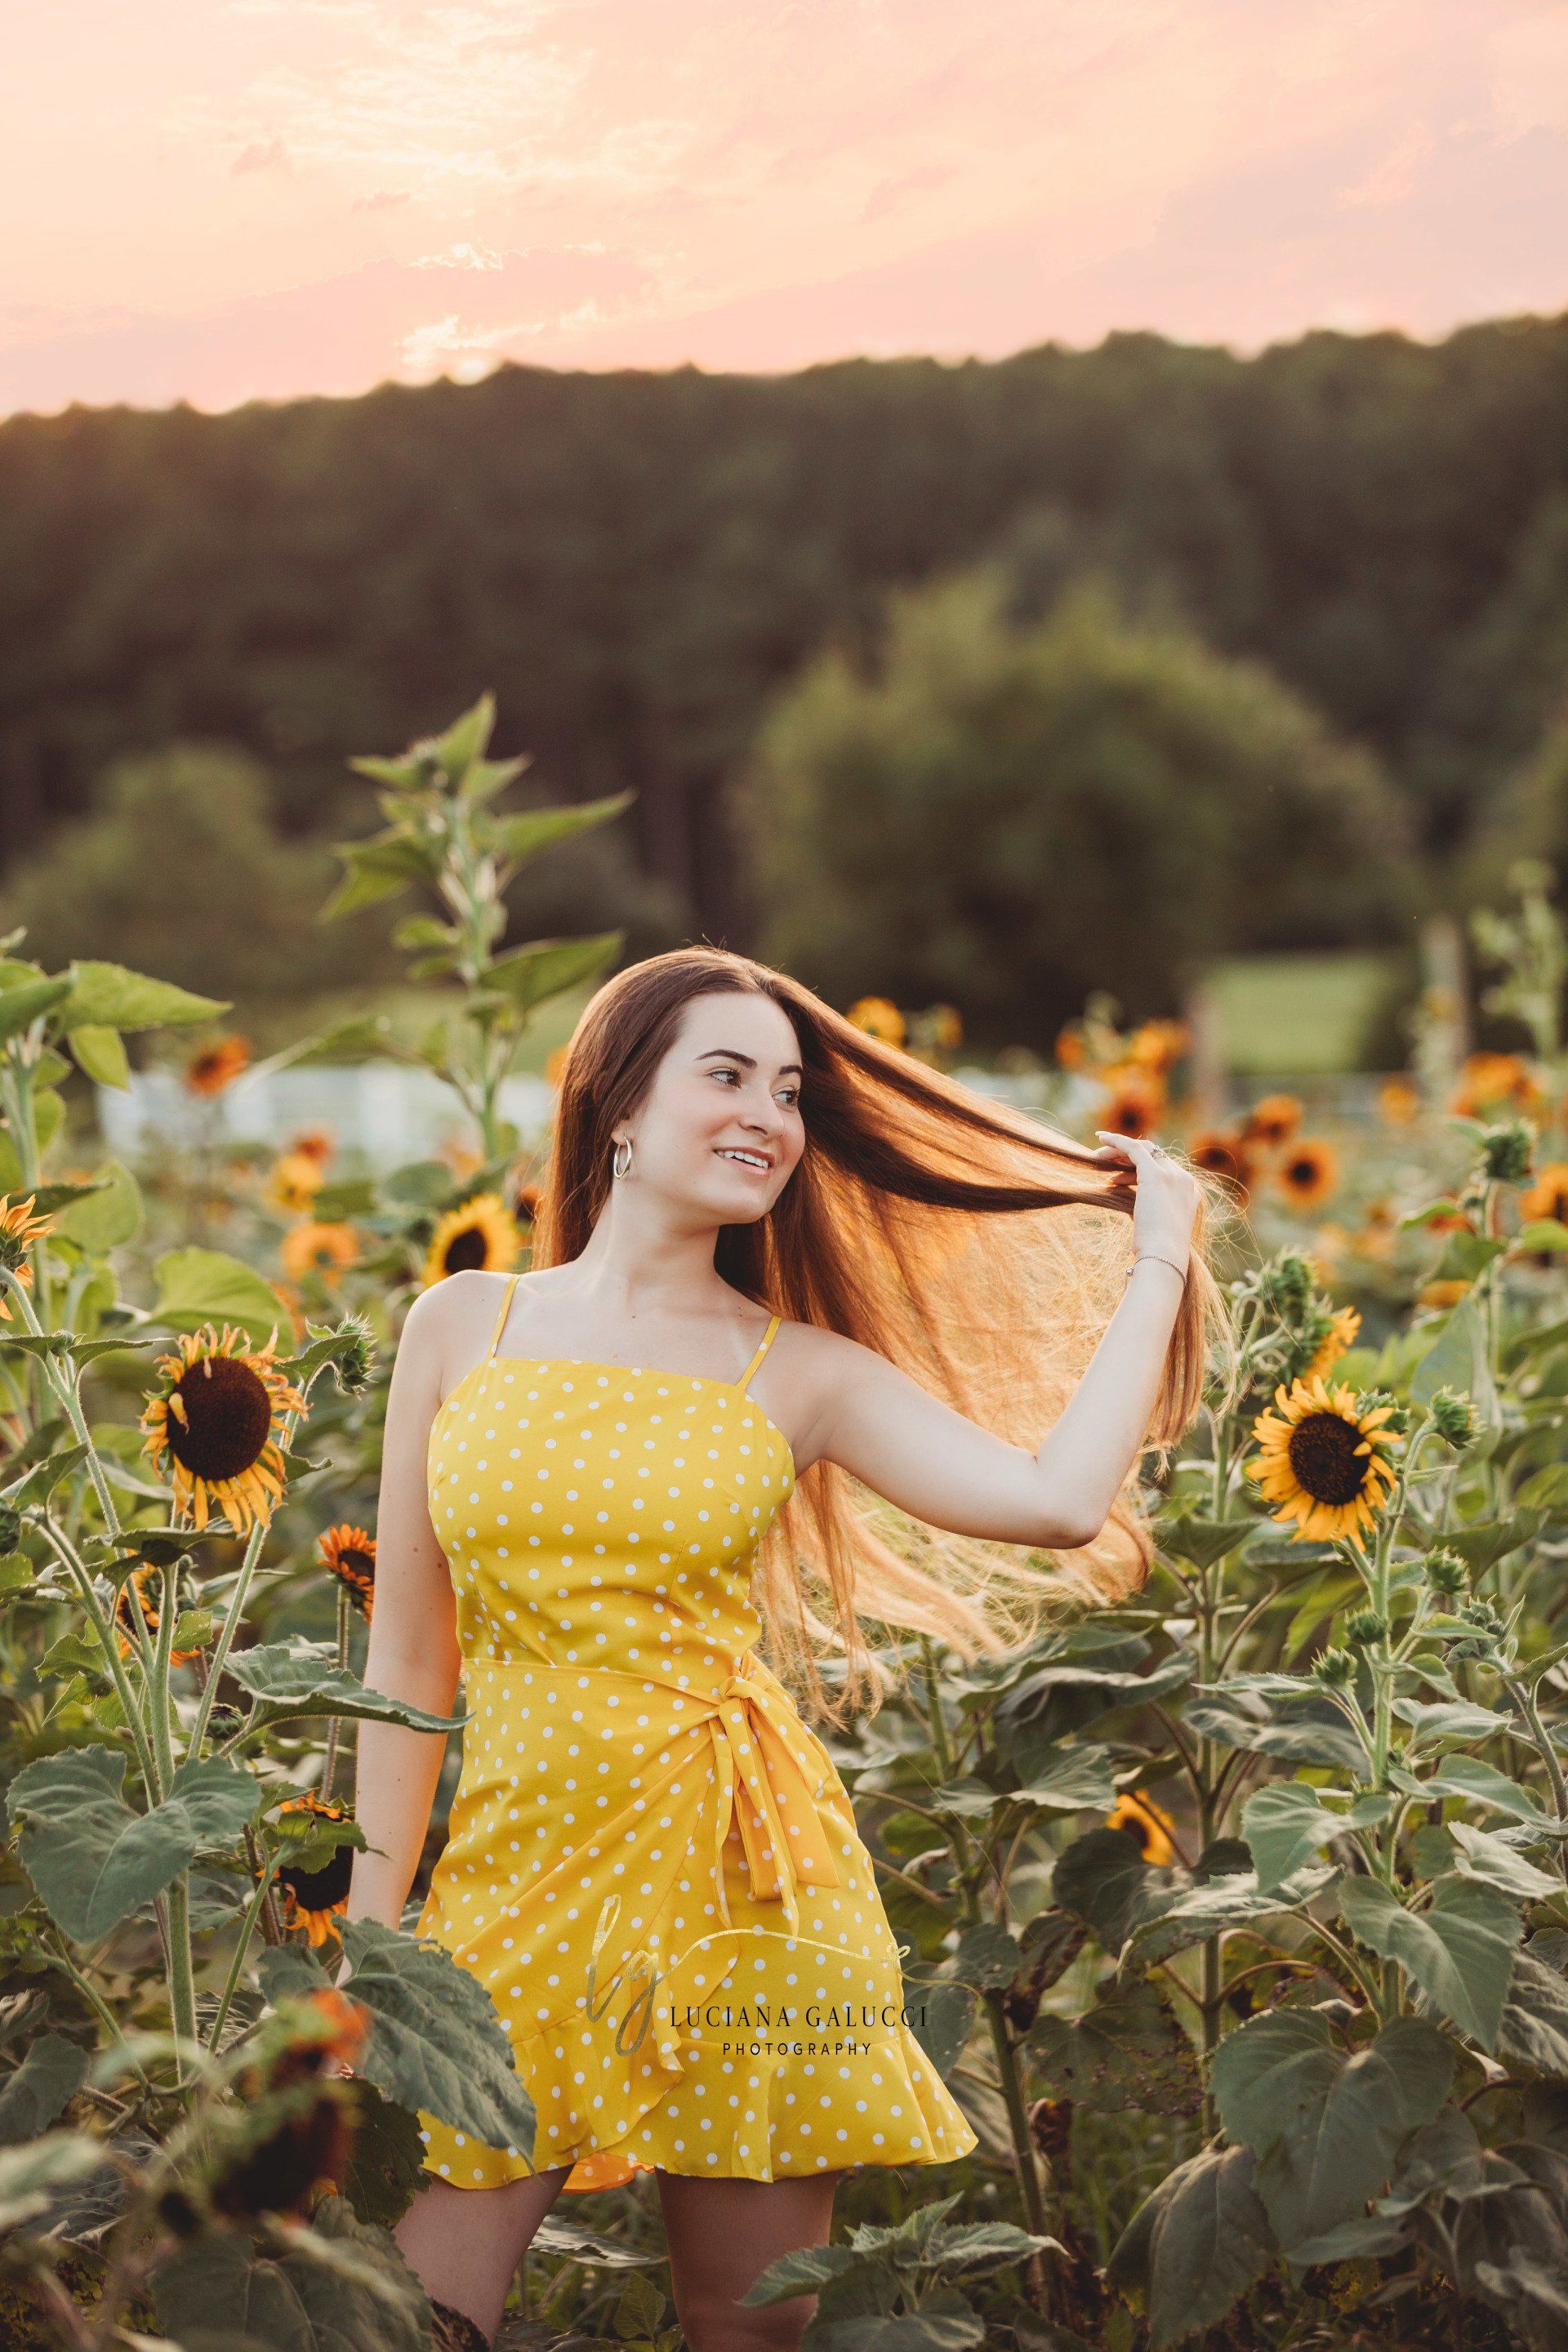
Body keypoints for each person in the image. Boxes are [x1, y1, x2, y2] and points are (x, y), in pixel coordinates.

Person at [344, 946, 1220, 2350]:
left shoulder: (796, 1369)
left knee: (740, 2332)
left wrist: (1164, 1252)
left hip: (746, 1889)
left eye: (792, 1088)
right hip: (510, 1892)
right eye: (728, 1074)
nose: (769, 1112)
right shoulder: (463, 1324)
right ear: (619, 1104)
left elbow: (1057, 1503)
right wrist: (371, 1940)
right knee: (411, 2319)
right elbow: (405, 1661)